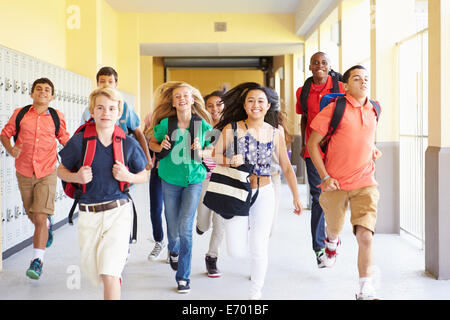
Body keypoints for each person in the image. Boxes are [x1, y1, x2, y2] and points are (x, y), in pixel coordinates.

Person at [213, 82, 302, 300]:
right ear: (244, 105)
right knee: (236, 251)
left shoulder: (275, 132)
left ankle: (256, 293)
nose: (256, 105)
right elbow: (214, 156)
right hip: (237, 192)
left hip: (264, 192)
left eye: (260, 101)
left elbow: (287, 167)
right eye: (251, 100)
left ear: (267, 106)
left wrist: (296, 197)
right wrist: (228, 160)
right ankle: (244, 233)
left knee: (259, 245)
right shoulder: (231, 129)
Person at [57, 87, 148, 300]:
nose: (106, 113)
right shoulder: (80, 142)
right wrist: (76, 177)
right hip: (89, 215)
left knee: (109, 273)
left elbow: (143, 175)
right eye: (100, 108)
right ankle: (114, 276)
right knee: (94, 270)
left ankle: (114, 276)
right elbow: (60, 170)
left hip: (118, 213)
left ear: (119, 112)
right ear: (92, 111)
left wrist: (129, 176)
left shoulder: (128, 143)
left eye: (111, 108)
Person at [307, 65, 382, 300]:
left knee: (365, 236)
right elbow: (312, 145)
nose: (363, 82)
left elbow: (364, 136)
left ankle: (365, 287)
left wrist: (372, 149)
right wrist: (325, 177)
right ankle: (331, 242)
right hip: (335, 184)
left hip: (366, 182)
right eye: (357, 78)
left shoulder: (375, 108)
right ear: (346, 86)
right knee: (334, 227)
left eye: (366, 78)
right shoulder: (333, 109)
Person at [0, 78, 70, 280]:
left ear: (52, 96)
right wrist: (11, 149)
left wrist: (79, 155)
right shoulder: (20, 114)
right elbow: (4, 134)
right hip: (24, 170)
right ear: (31, 93)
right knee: (32, 214)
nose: (42, 92)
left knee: (39, 216)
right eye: (38, 89)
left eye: (47, 90)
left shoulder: (57, 117)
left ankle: (37, 261)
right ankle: (46, 225)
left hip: (47, 171)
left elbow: (64, 138)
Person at [148, 81, 213, 294]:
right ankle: (172, 248)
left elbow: (213, 146)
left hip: (194, 179)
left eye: (186, 95)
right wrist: (161, 145)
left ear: (192, 100)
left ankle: (183, 277)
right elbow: (152, 143)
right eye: (177, 96)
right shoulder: (166, 124)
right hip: (169, 179)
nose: (182, 99)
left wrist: (202, 151)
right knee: (173, 226)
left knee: (186, 227)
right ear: (173, 103)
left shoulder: (201, 125)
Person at [295, 52, 345, 267]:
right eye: (315, 63)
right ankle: (318, 248)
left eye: (324, 62)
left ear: (330, 66)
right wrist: (303, 145)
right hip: (312, 151)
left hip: (336, 150)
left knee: (335, 197)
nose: (320, 66)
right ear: (310, 66)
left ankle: (332, 236)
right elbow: (304, 118)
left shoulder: (341, 87)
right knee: (318, 197)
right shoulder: (302, 91)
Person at [80, 66, 152, 170]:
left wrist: (147, 158)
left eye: (110, 81)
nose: (106, 85)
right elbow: (82, 134)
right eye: (102, 81)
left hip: (121, 155)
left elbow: (138, 133)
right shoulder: (89, 110)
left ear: (116, 84)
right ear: (97, 84)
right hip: (97, 155)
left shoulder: (125, 108)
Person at [195, 90, 226, 277]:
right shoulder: (201, 128)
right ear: (205, 108)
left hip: (223, 179)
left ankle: (212, 258)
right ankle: (200, 225)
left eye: (219, 104)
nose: (215, 109)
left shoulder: (231, 128)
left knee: (220, 222)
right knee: (205, 223)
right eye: (210, 105)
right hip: (205, 179)